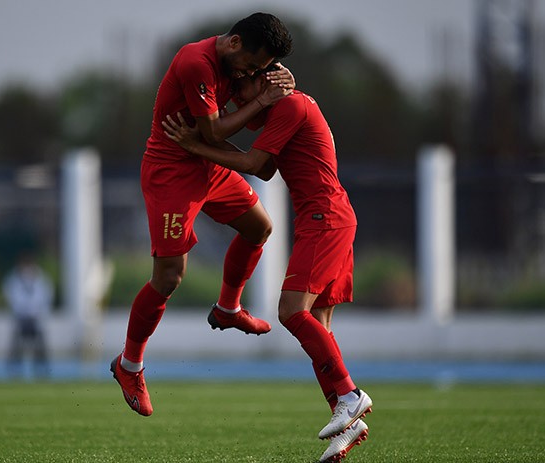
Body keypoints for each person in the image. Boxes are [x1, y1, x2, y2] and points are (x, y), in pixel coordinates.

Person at [161, 66, 372, 463]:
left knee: (291, 312)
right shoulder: (287, 106)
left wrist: (195, 146)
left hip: (324, 219)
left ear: (264, 79)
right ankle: (347, 420)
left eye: (242, 86)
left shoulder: (290, 106)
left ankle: (350, 395)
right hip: (329, 217)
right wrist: (225, 120)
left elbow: (255, 163)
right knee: (319, 327)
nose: (238, 98)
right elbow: (267, 165)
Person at [109, 12, 295, 417]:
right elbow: (212, 131)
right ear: (234, 43)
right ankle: (129, 365)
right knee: (169, 277)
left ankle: (228, 308)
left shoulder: (239, 63)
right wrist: (263, 98)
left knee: (259, 227)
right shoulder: (197, 62)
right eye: (251, 65)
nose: (251, 73)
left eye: (259, 69)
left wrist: (280, 85)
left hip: (206, 163)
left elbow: (245, 119)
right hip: (172, 172)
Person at [2, 252, 53, 379]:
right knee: (16, 346)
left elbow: (46, 299)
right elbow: (13, 300)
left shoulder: (42, 280)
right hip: (21, 319)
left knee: (40, 347)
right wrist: (24, 312)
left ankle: (42, 370)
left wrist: (37, 313)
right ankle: (14, 370)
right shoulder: (13, 280)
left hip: (36, 319)